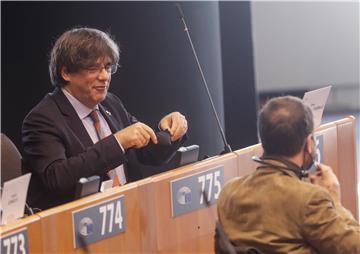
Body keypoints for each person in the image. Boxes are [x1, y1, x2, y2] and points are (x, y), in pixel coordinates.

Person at [22, 27, 188, 210]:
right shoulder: (42, 119)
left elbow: (149, 154)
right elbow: (58, 178)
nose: (104, 77)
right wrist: (117, 142)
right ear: (66, 72)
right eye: (94, 68)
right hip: (81, 224)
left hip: (132, 210)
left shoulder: (111, 103)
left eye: (108, 68)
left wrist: (170, 132)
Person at [216, 96, 360, 254]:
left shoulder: (229, 193)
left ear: (264, 141)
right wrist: (335, 204)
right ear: (309, 143)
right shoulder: (310, 199)